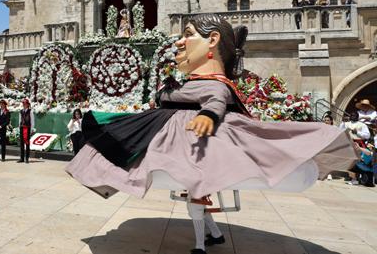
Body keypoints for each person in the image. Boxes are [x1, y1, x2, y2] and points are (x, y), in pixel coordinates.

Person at [65, 13, 356, 254]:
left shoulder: (215, 83)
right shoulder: (191, 81)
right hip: (161, 127)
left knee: (190, 176)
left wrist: (207, 115)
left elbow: (217, 97)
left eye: (188, 34)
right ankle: (209, 232)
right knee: (114, 138)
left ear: (212, 41)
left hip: (185, 133)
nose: (178, 41)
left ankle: (202, 240)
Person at [18, 98, 34, 163]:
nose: (24, 105)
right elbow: (20, 119)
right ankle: (22, 158)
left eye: (25, 104)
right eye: (23, 104)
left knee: (27, 143)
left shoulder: (30, 111)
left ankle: (27, 158)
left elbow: (32, 120)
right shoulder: (21, 111)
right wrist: (19, 126)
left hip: (27, 128)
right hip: (22, 128)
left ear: (28, 105)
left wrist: (32, 128)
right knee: (21, 143)